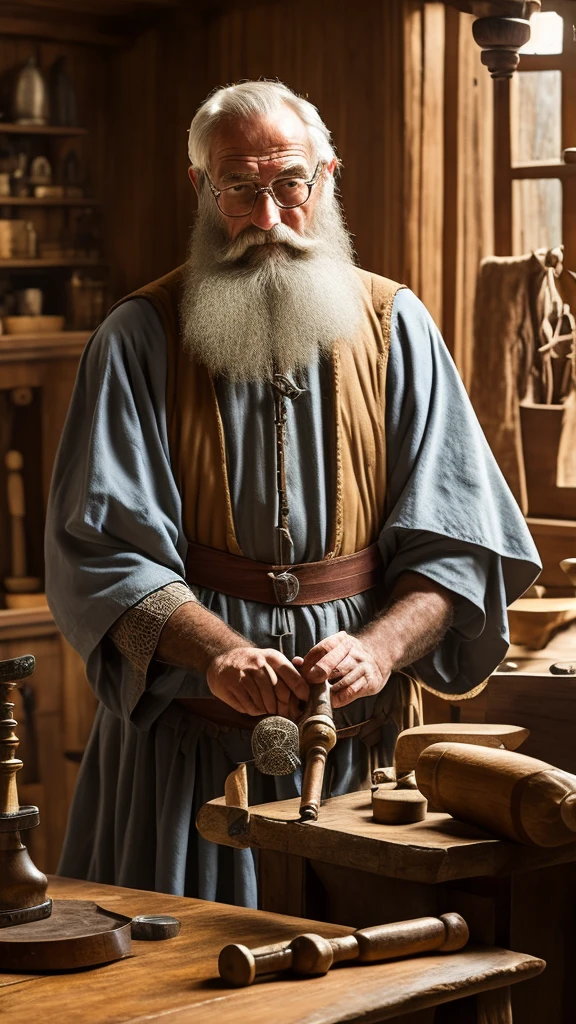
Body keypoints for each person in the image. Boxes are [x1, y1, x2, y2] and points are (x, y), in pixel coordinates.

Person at [46, 80, 540, 907]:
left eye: (288, 183)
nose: (267, 215)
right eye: (239, 186)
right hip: (188, 750)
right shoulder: (138, 337)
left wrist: (378, 650)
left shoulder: (396, 325)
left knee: (379, 968)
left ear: (327, 178)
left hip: (364, 745)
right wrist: (218, 652)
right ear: (202, 187)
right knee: (183, 976)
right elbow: (101, 553)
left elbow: (459, 542)